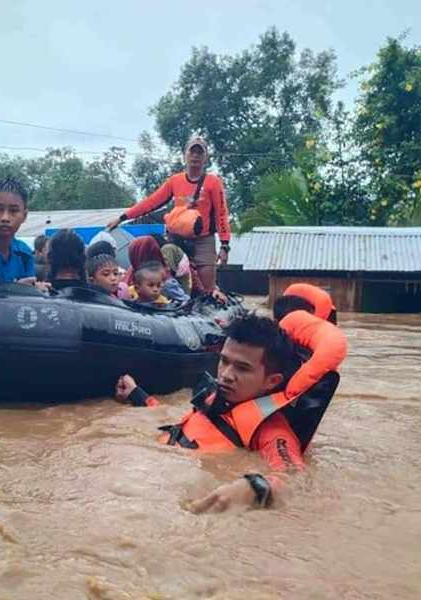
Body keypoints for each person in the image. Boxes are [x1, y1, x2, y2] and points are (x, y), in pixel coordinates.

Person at [115, 308, 348, 513]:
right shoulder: (215, 399)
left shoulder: (271, 432)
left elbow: (296, 479)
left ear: (271, 381)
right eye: (224, 361)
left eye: (242, 368)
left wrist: (253, 487)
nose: (226, 374)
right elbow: (181, 425)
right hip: (139, 481)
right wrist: (138, 395)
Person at [107, 137, 231, 291]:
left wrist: (225, 245)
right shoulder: (175, 181)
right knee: (164, 272)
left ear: (205, 157)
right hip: (177, 239)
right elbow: (151, 202)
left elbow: (221, 213)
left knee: (207, 288)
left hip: (203, 240)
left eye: (200, 152)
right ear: (185, 154)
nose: (195, 156)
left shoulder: (213, 182)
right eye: (192, 151)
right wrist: (122, 218)